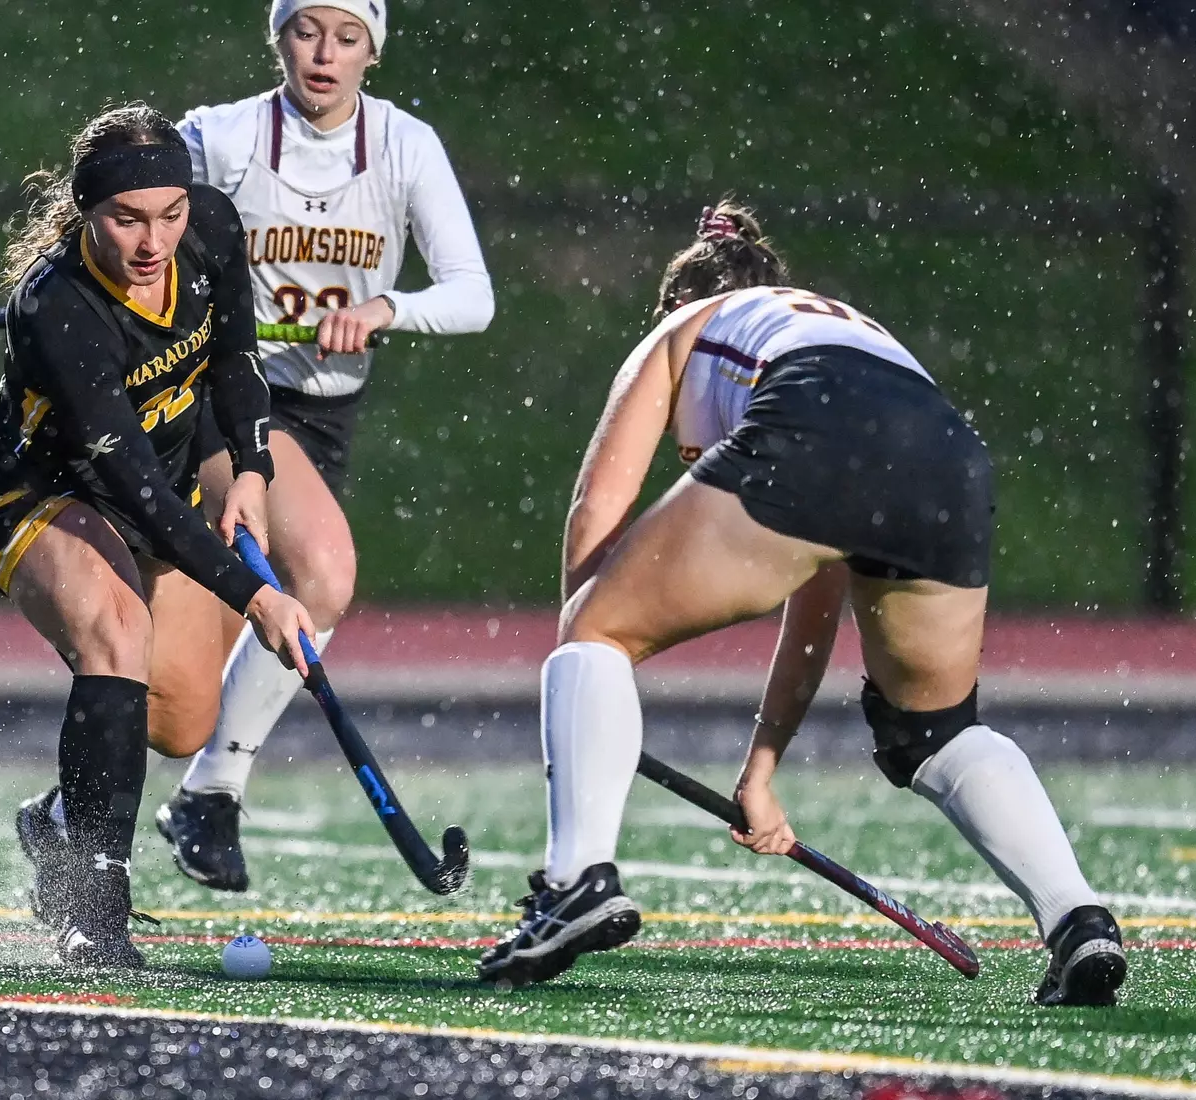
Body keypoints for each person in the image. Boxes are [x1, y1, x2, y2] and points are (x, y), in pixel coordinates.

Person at [476, 204, 1128, 1007]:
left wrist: (576, 672)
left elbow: (593, 514)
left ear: (673, 303)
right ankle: (1077, 919)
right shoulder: (823, 329)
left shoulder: (682, 330)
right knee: (932, 728)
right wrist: (762, 769)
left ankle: (575, 883)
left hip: (824, 422)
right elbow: (814, 591)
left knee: (598, 627)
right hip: (947, 453)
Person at [0, 102, 316, 968]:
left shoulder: (210, 226)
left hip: (161, 479)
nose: (155, 242)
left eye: (169, 215)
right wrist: (256, 594)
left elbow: (236, 360)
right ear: (87, 213)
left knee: (183, 722)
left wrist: (251, 472)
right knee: (117, 633)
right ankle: (90, 897)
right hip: (42, 492)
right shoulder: (56, 307)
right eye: (127, 219)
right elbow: (136, 493)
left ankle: (59, 820)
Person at [153, 0, 495, 892]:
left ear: (372, 51)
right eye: (307, 31)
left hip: (324, 413)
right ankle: (215, 792)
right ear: (280, 39)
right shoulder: (218, 139)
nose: (325, 54)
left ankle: (73, 813)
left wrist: (388, 307)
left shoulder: (405, 146)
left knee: (184, 682)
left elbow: (472, 294)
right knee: (324, 576)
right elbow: (132, 222)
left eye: (348, 37)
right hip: (223, 395)